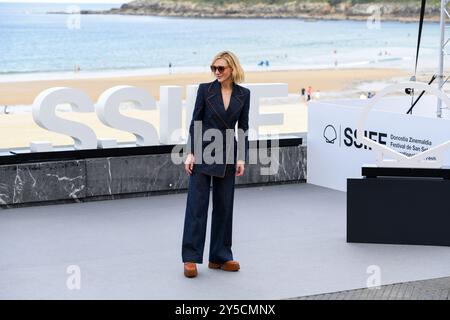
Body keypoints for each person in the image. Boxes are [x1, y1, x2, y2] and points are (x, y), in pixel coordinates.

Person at [182, 50, 250, 278]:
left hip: (229, 153)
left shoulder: (244, 94)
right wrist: (190, 152)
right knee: (197, 206)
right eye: (214, 68)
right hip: (204, 150)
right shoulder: (205, 90)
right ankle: (190, 258)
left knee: (224, 206)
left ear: (232, 69)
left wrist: (241, 157)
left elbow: (243, 128)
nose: (217, 72)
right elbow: (195, 121)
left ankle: (219, 256)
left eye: (221, 68)